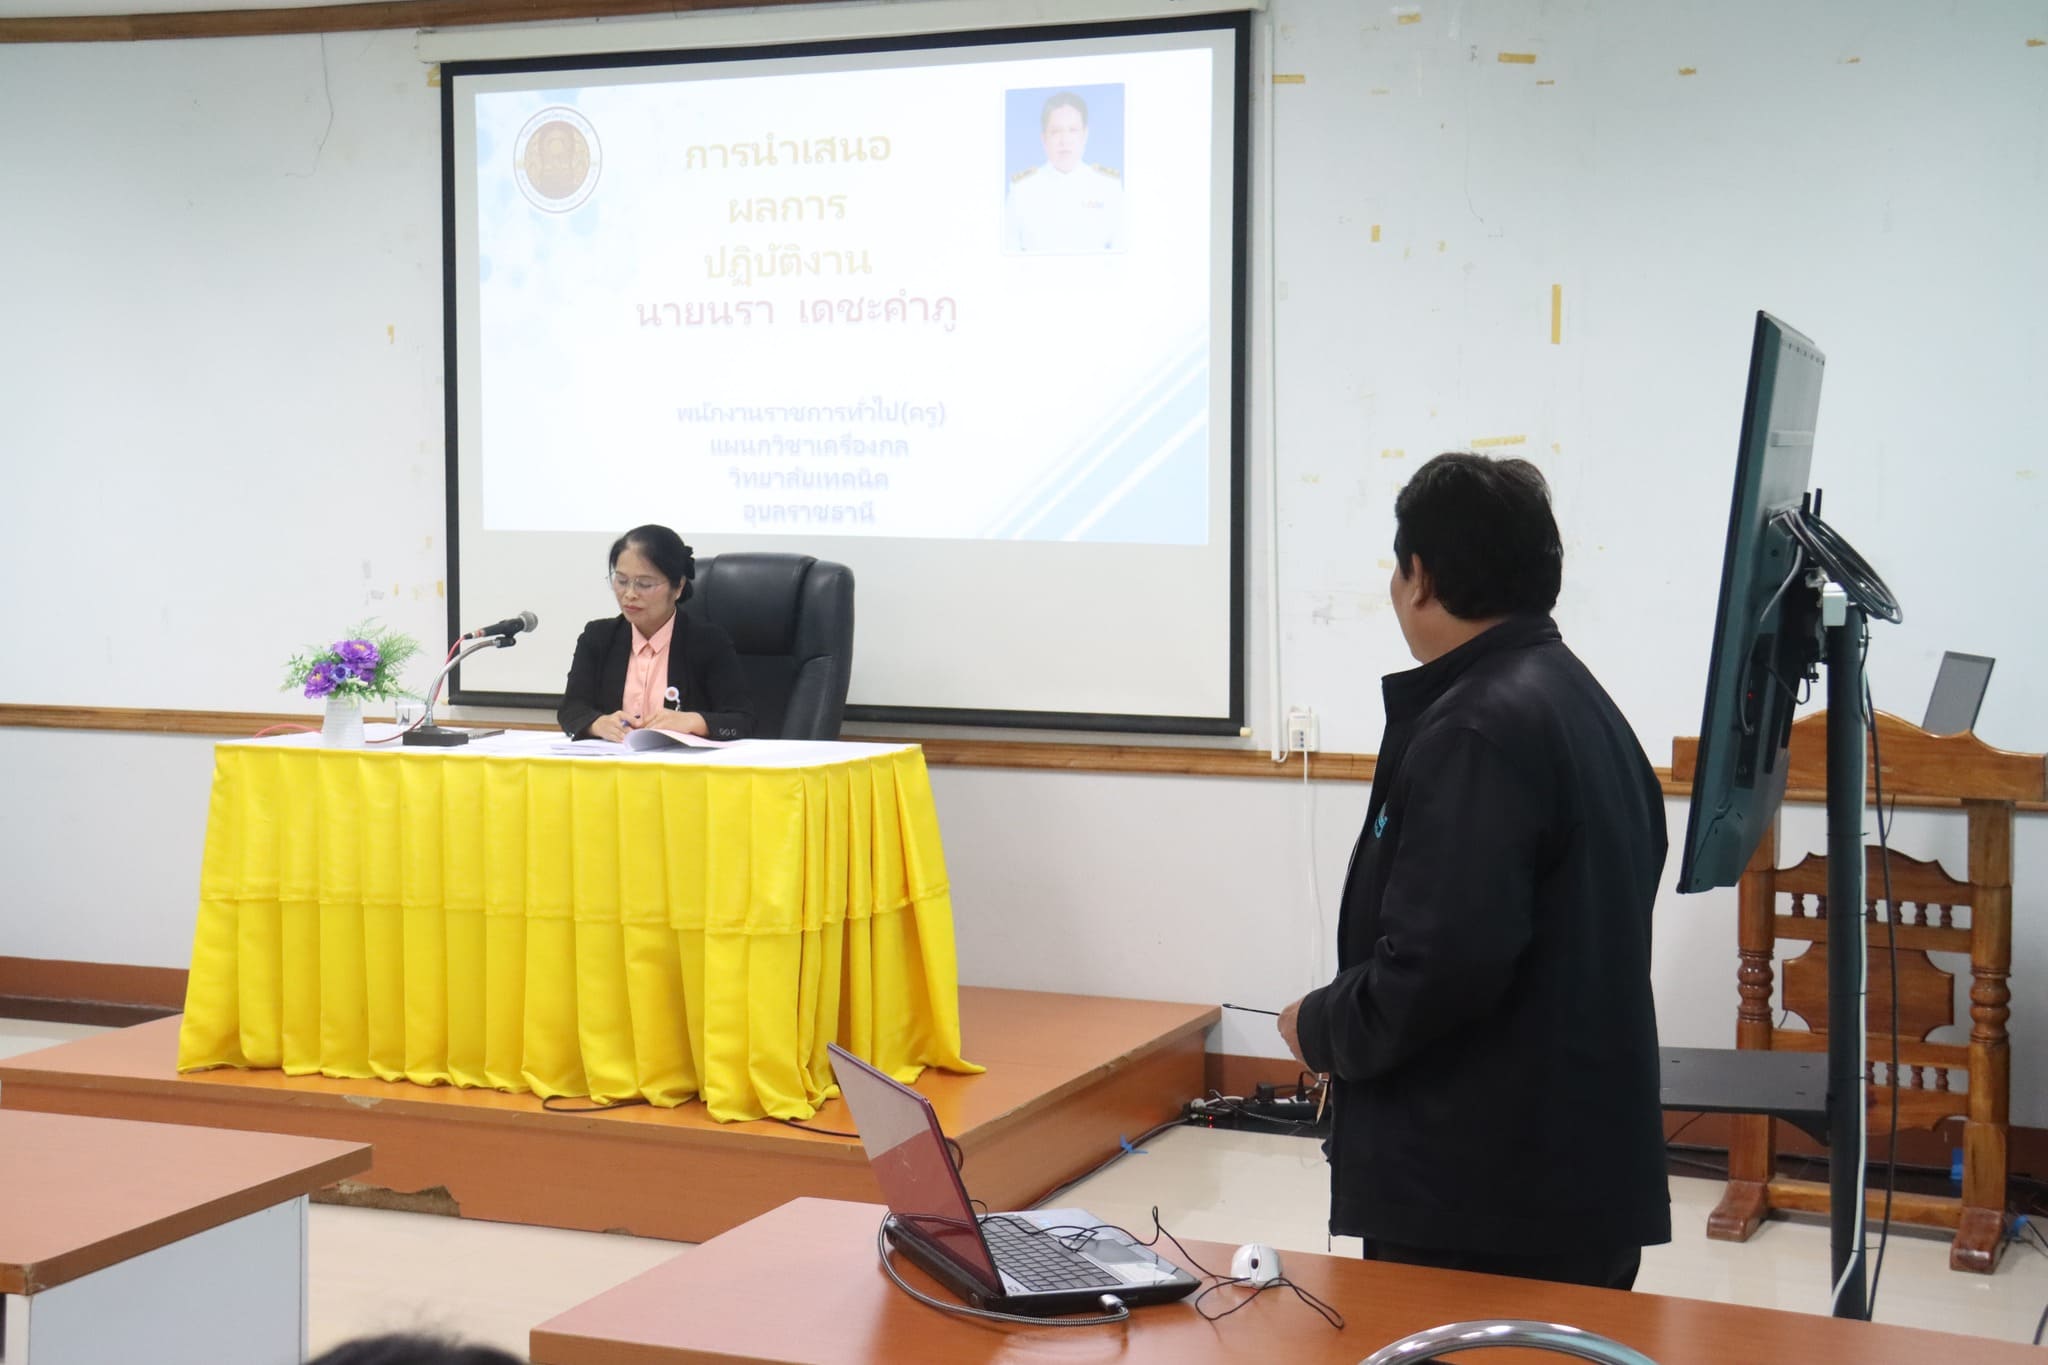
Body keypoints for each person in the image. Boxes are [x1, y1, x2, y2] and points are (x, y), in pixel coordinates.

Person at [1276, 452, 1670, 1290]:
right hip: (1563, 1175)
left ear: (1420, 576)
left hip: (1485, 1196)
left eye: (1397, 567)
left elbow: (1438, 966)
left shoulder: (1476, 730)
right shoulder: (1577, 700)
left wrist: (1322, 1026)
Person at [558, 524, 754, 742]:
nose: (630, 594)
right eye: (621, 581)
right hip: (614, 760)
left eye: (644, 584)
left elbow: (741, 722)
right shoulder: (598, 637)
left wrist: (694, 722)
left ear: (678, 587)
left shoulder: (708, 642)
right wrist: (597, 724)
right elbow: (571, 711)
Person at [1002, 91, 1126, 254]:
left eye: (1073, 130)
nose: (1064, 140)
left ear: (1085, 135)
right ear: (1044, 139)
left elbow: (1123, 251)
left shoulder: (1108, 187)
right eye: (1055, 131)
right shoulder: (1022, 189)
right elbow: (1009, 252)